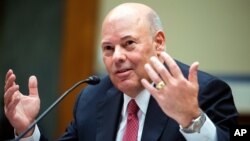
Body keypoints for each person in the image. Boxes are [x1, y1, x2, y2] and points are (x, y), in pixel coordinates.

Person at [4, 2, 238, 141]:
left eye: (128, 44)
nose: (117, 57)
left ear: (158, 43)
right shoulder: (91, 98)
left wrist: (192, 120)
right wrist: (28, 131)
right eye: (108, 48)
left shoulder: (204, 92)